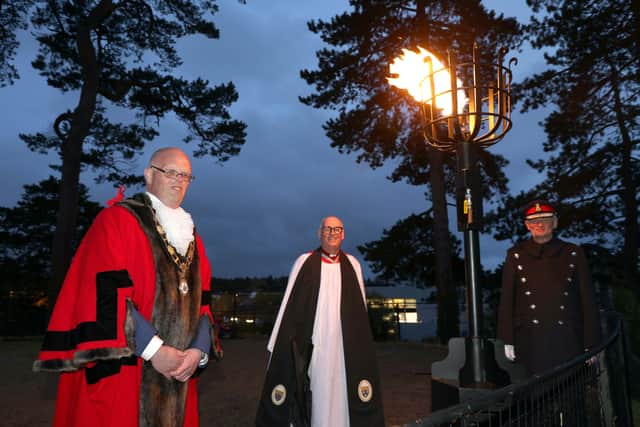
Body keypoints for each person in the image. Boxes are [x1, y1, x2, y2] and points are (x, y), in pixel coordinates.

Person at [33, 147, 220, 427]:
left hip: (179, 375)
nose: (178, 180)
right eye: (169, 171)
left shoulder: (191, 235)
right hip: (129, 371)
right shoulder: (117, 221)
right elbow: (106, 298)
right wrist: (156, 351)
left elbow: (203, 301)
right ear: (148, 174)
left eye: (186, 176)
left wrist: (198, 351)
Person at [256, 216, 385, 427]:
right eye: (327, 229)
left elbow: (360, 309)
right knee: (318, 395)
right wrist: (279, 342)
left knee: (344, 395)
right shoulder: (304, 262)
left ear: (343, 234)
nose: (332, 233)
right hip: (315, 345)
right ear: (319, 233)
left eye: (337, 229)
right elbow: (289, 304)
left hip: (345, 348)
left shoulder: (353, 265)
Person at [497, 199, 602, 376]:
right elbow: (507, 300)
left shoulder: (573, 252)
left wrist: (591, 343)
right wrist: (506, 339)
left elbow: (587, 299)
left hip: (568, 339)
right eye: (533, 221)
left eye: (545, 220)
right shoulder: (515, 255)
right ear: (527, 226)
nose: (539, 224)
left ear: (554, 222)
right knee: (534, 398)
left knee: (569, 395)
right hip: (530, 340)